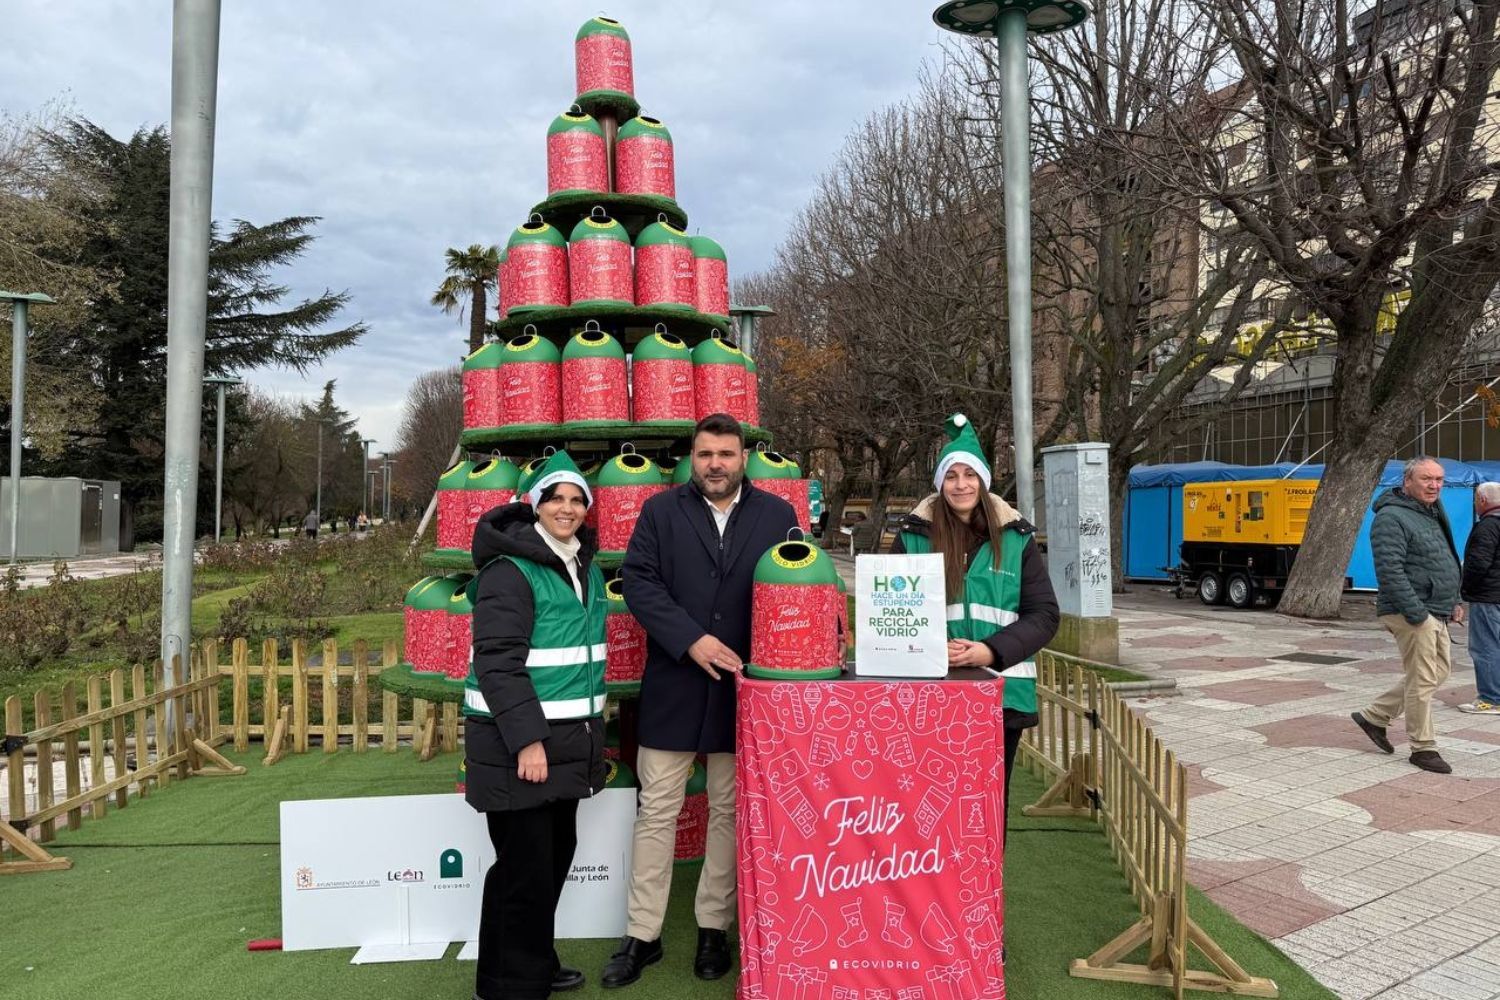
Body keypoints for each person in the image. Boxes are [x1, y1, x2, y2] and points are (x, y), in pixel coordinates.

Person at [602, 413, 798, 989]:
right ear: (693, 456)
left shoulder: (778, 515)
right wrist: (691, 639)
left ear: (743, 458)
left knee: (727, 813)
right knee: (657, 811)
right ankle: (642, 933)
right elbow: (639, 583)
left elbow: (792, 588)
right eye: (706, 453)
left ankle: (714, 927)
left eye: (727, 454)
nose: (716, 463)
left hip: (743, 690)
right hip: (675, 682)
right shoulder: (661, 512)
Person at [462, 451, 607, 1000]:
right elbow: (498, 662)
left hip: (568, 743)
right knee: (523, 874)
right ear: (535, 505)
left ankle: (534, 962)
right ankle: (509, 987)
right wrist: (527, 741)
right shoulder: (510, 571)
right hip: (521, 748)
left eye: (577, 500)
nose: (567, 508)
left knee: (549, 863)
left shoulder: (575, 563)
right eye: (556, 498)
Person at [890, 414, 1059, 828]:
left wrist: (990, 651)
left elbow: (1044, 615)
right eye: (951, 475)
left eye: (969, 474)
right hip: (930, 693)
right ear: (940, 483)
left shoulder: (1015, 538)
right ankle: (933, 890)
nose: (961, 484)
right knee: (928, 807)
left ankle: (981, 893)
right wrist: (930, 649)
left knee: (986, 809)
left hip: (1000, 694)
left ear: (983, 482)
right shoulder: (914, 536)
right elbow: (891, 613)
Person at [1352, 456, 1464, 774]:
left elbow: (1445, 557)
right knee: (1425, 679)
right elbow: (1389, 570)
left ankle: (1375, 716)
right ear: (1408, 481)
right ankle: (1423, 748)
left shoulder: (1430, 511)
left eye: (1439, 479)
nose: (1434, 485)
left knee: (1437, 672)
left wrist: (1453, 599)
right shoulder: (1391, 517)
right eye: (1427, 479)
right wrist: (1417, 614)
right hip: (1410, 611)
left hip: (1435, 608)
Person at [1459, 481, 1500, 715]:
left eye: (1475, 499)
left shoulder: (1488, 526)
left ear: (1482, 500)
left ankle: (1491, 699)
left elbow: (1478, 564)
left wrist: (1465, 590)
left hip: (1488, 597)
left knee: (1486, 647)